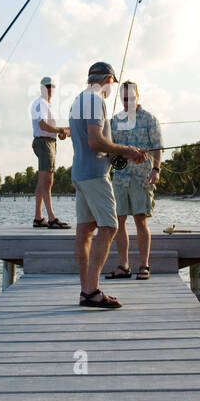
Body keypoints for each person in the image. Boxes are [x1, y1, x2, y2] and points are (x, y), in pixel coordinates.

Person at [68, 62, 146, 308]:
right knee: (110, 226)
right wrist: (126, 149)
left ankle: (86, 291)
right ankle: (92, 290)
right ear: (109, 79)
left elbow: (91, 143)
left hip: (81, 174)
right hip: (94, 177)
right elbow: (95, 140)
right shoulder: (95, 100)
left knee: (85, 231)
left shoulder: (78, 100)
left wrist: (118, 155)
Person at [108, 81, 162, 281]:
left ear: (138, 96)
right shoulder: (114, 121)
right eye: (123, 99)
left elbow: (157, 147)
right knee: (119, 221)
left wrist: (156, 169)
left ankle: (144, 266)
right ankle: (123, 266)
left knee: (140, 220)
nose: (127, 102)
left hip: (142, 177)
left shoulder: (150, 119)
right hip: (120, 177)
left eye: (131, 98)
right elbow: (109, 149)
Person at [29, 76, 70, 228]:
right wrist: (60, 130)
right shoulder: (40, 103)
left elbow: (49, 127)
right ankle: (52, 218)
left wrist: (61, 132)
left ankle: (38, 217)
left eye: (52, 86)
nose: (50, 88)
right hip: (44, 143)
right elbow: (43, 125)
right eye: (47, 86)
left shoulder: (47, 104)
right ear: (41, 88)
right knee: (47, 181)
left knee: (42, 181)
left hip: (49, 142)